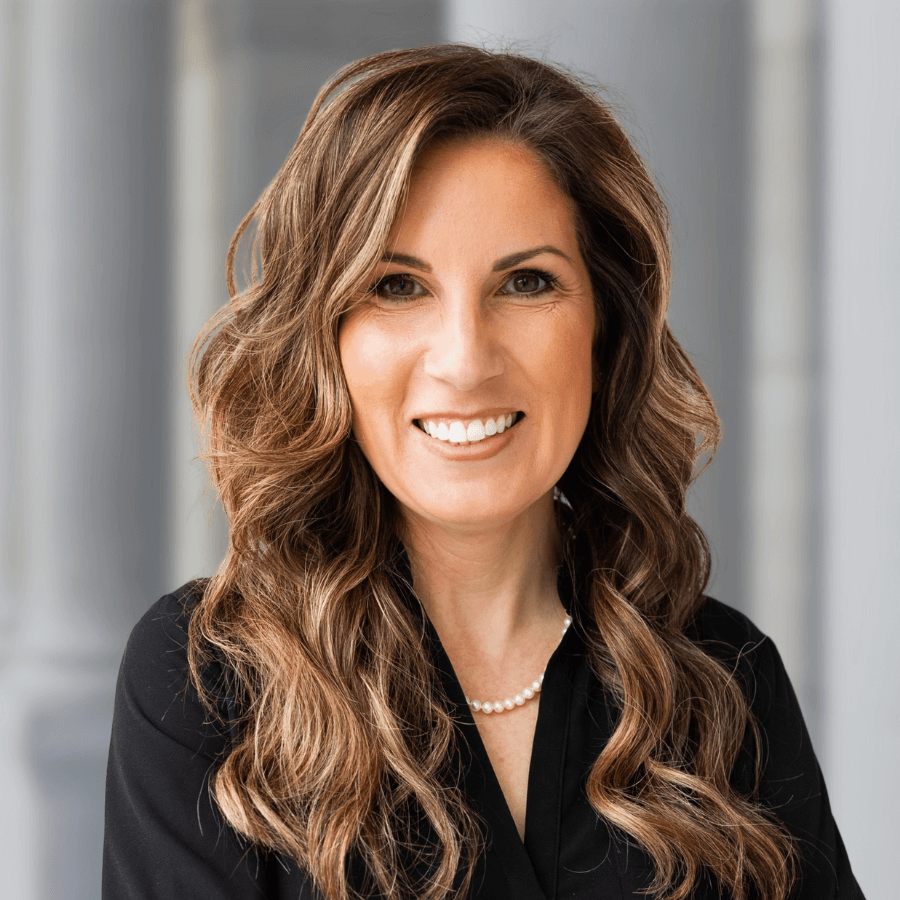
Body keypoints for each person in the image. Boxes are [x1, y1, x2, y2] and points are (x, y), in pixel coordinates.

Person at [102, 45, 863, 900]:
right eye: (397, 286)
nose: (464, 360)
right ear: (325, 340)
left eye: (527, 282)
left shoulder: (723, 679)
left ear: (604, 331)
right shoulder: (207, 683)